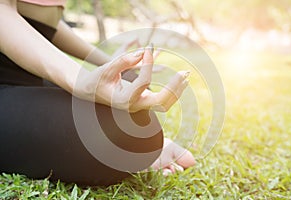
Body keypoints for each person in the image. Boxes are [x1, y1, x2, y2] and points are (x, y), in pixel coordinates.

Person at [0, 0, 196, 186]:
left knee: (129, 82)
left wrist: (108, 60)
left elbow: (47, 21)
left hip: (28, 71)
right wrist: (79, 80)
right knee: (127, 136)